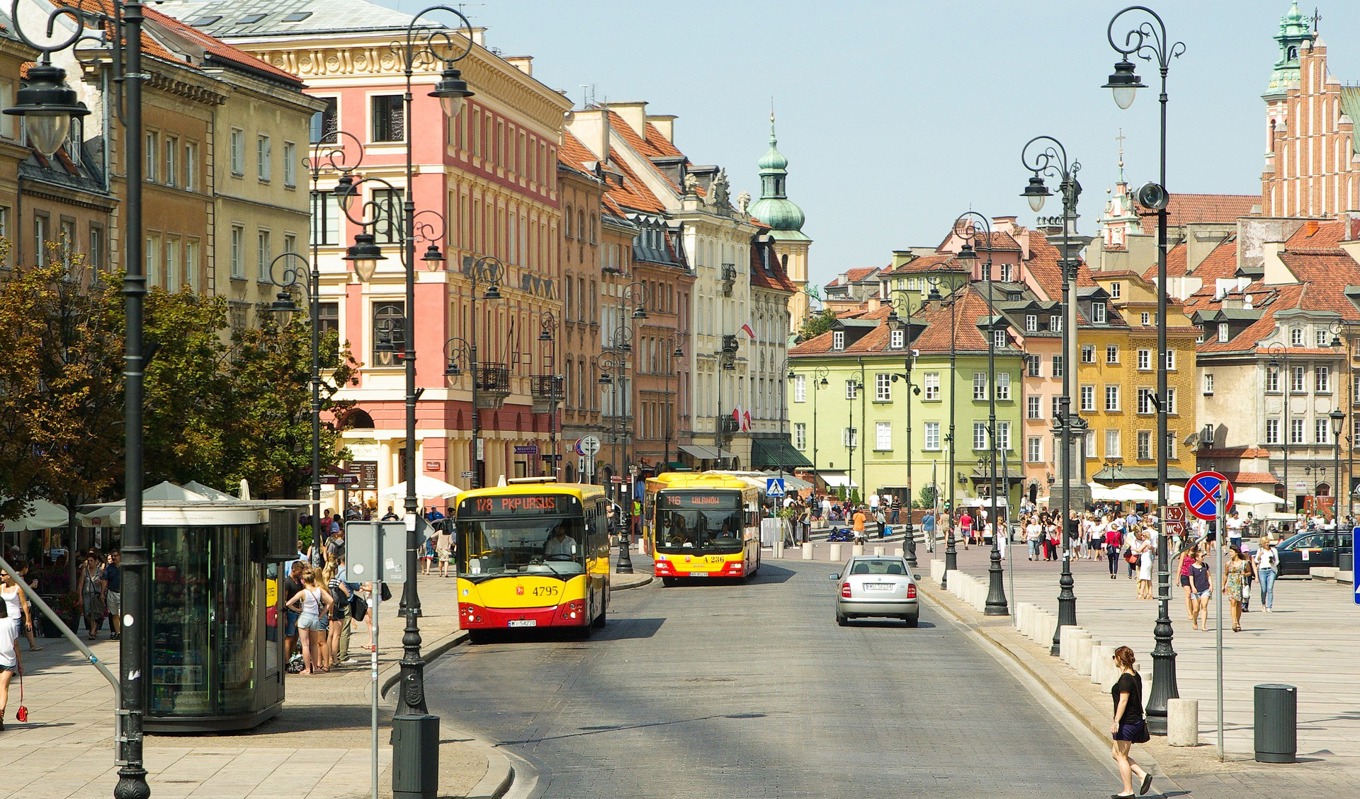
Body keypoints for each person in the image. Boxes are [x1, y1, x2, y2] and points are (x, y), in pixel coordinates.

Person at [1108, 646, 1154, 798]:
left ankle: (1128, 791)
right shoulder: (1135, 675)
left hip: (1127, 723)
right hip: (1134, 721)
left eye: (1114, 657)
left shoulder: (1126, 679)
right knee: (1116, 753)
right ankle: (1142, 775)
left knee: (1121, 756)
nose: (1113, 660)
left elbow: (1123, 701)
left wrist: (1116, 721)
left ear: (1120, 659)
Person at [285, 568, 333, 674]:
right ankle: (315, 667)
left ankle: (307, 669)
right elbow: (330, 601)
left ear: (303, 580)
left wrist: (297, 609)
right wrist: (322, 614)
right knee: (314, 644)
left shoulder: (303, 592)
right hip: (315, 618)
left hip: (305, 617)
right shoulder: (319, 590)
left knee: (305, 644)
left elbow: (288, 603)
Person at [1, 569, 41, 652]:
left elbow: (24, 604)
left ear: (9, 575)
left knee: (13, 641)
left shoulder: (18, 588)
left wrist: (28, 620)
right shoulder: (1, 587)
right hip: (3, 618)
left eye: (3, 575)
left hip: (15, 617)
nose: (0, 576)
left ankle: (15, 660)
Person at [0, 600, 21, 732]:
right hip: (8, 659)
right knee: (4, 688)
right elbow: (16, 645)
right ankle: (1, 713)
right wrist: (20, 663)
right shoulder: (11, 622)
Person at [281, 561, 305, 663]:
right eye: (299, 572)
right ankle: (287, 661)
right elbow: (284, 599)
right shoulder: (288, 582)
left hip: (298, 612)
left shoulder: (299, 581)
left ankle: (292, 658)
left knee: (295, 637)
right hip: (291, 612)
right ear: (293, 570)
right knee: (289, 637)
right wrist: (285, 615)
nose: (300, 574)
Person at [78, 551, 106, 641]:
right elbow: (80, 584)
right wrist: (80, 597)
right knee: (87, 613)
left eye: (91, 560)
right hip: (86, 594)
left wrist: (102, 591)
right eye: (88, 560)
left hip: (96, 594)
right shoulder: (85, 571)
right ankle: (93, 628)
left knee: (94, 612)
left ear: (95, 561)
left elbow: (104, 583)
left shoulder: (100, 571)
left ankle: (93, 631)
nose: (89, 562)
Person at [1223, 546, 1248, 633]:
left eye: (1231, 552)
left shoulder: (1244, 563)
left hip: (1240, 584)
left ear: (1236, 552)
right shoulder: (1228, 563)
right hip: (1231, 584)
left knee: (1239, 604)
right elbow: (1225, 574)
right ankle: (1234, 622)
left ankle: (1238, 620)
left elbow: (1249, 572)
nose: (1230, 554)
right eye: (1229, 552)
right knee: (1233, 602)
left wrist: (1244, 574)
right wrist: (1223, 585)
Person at [1254, 536, 1280, 612]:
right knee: (1264, 589)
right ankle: (1263, 604)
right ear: (1262, 543)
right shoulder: (1260, 550)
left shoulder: (1273, 550)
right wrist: (1259, 556)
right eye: (1265, 543)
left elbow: (1277, 561)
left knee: (1270, 588)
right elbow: (1256, 560)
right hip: (1262, 570)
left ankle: (1269, 606)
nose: (1267, 544)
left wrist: (1273, 561)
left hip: (1271, 570)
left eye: (1268, 542)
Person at [1189, 550, 1212, 631]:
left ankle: (1203, 626)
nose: (1203, 558)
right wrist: (1193, 587)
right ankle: (1195, 621)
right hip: (1196, 590)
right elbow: (1191, 578)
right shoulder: (1192, 567)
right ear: (1196, 558)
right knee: (1196, 609)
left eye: (1203, 556)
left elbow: (1208, 576)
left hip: (1205, 588)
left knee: (1204, 606)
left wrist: (1211, 585)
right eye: (1201, 556)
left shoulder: (1205, 565)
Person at [103, 550, 122, 640]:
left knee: (120, 613)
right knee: (114, 614)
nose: (114, 557)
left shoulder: (124, 566)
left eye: (116, 556)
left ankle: (122, 632)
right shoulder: (109, 568)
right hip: (112, 592)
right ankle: (118, 633)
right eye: (112, 556)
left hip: (122, 593)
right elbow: (105, 581)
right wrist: (102, 593)